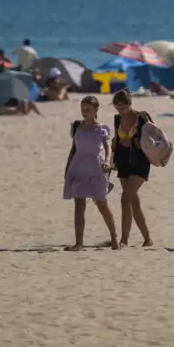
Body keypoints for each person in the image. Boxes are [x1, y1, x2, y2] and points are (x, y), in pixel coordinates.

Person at [63, 96, 119, 251]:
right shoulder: (76, 126)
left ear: (96, 110)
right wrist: (67, 168)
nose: (84, 112)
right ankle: (79, 243)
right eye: (83, 109)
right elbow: (73, 149)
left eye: (88, 110)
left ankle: (115, 239)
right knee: (79, 206)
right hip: (78, 167)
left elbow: (108, 148)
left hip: (96, 168)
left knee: (102, 204)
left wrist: (108, 162)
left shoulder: (100, 129)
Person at [112, 90, 153, 248]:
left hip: (140, 161)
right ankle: (147, 238)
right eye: (117, 107)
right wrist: (114, 146)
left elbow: (153, 139)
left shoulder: (141, 117)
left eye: (122, 106)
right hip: (123, 160)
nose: (119, 110)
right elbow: (116, 139)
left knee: (125, 198)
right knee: (133, 202)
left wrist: (134, 141)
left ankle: (124, 240)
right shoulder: (117, 119)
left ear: (129, 104)